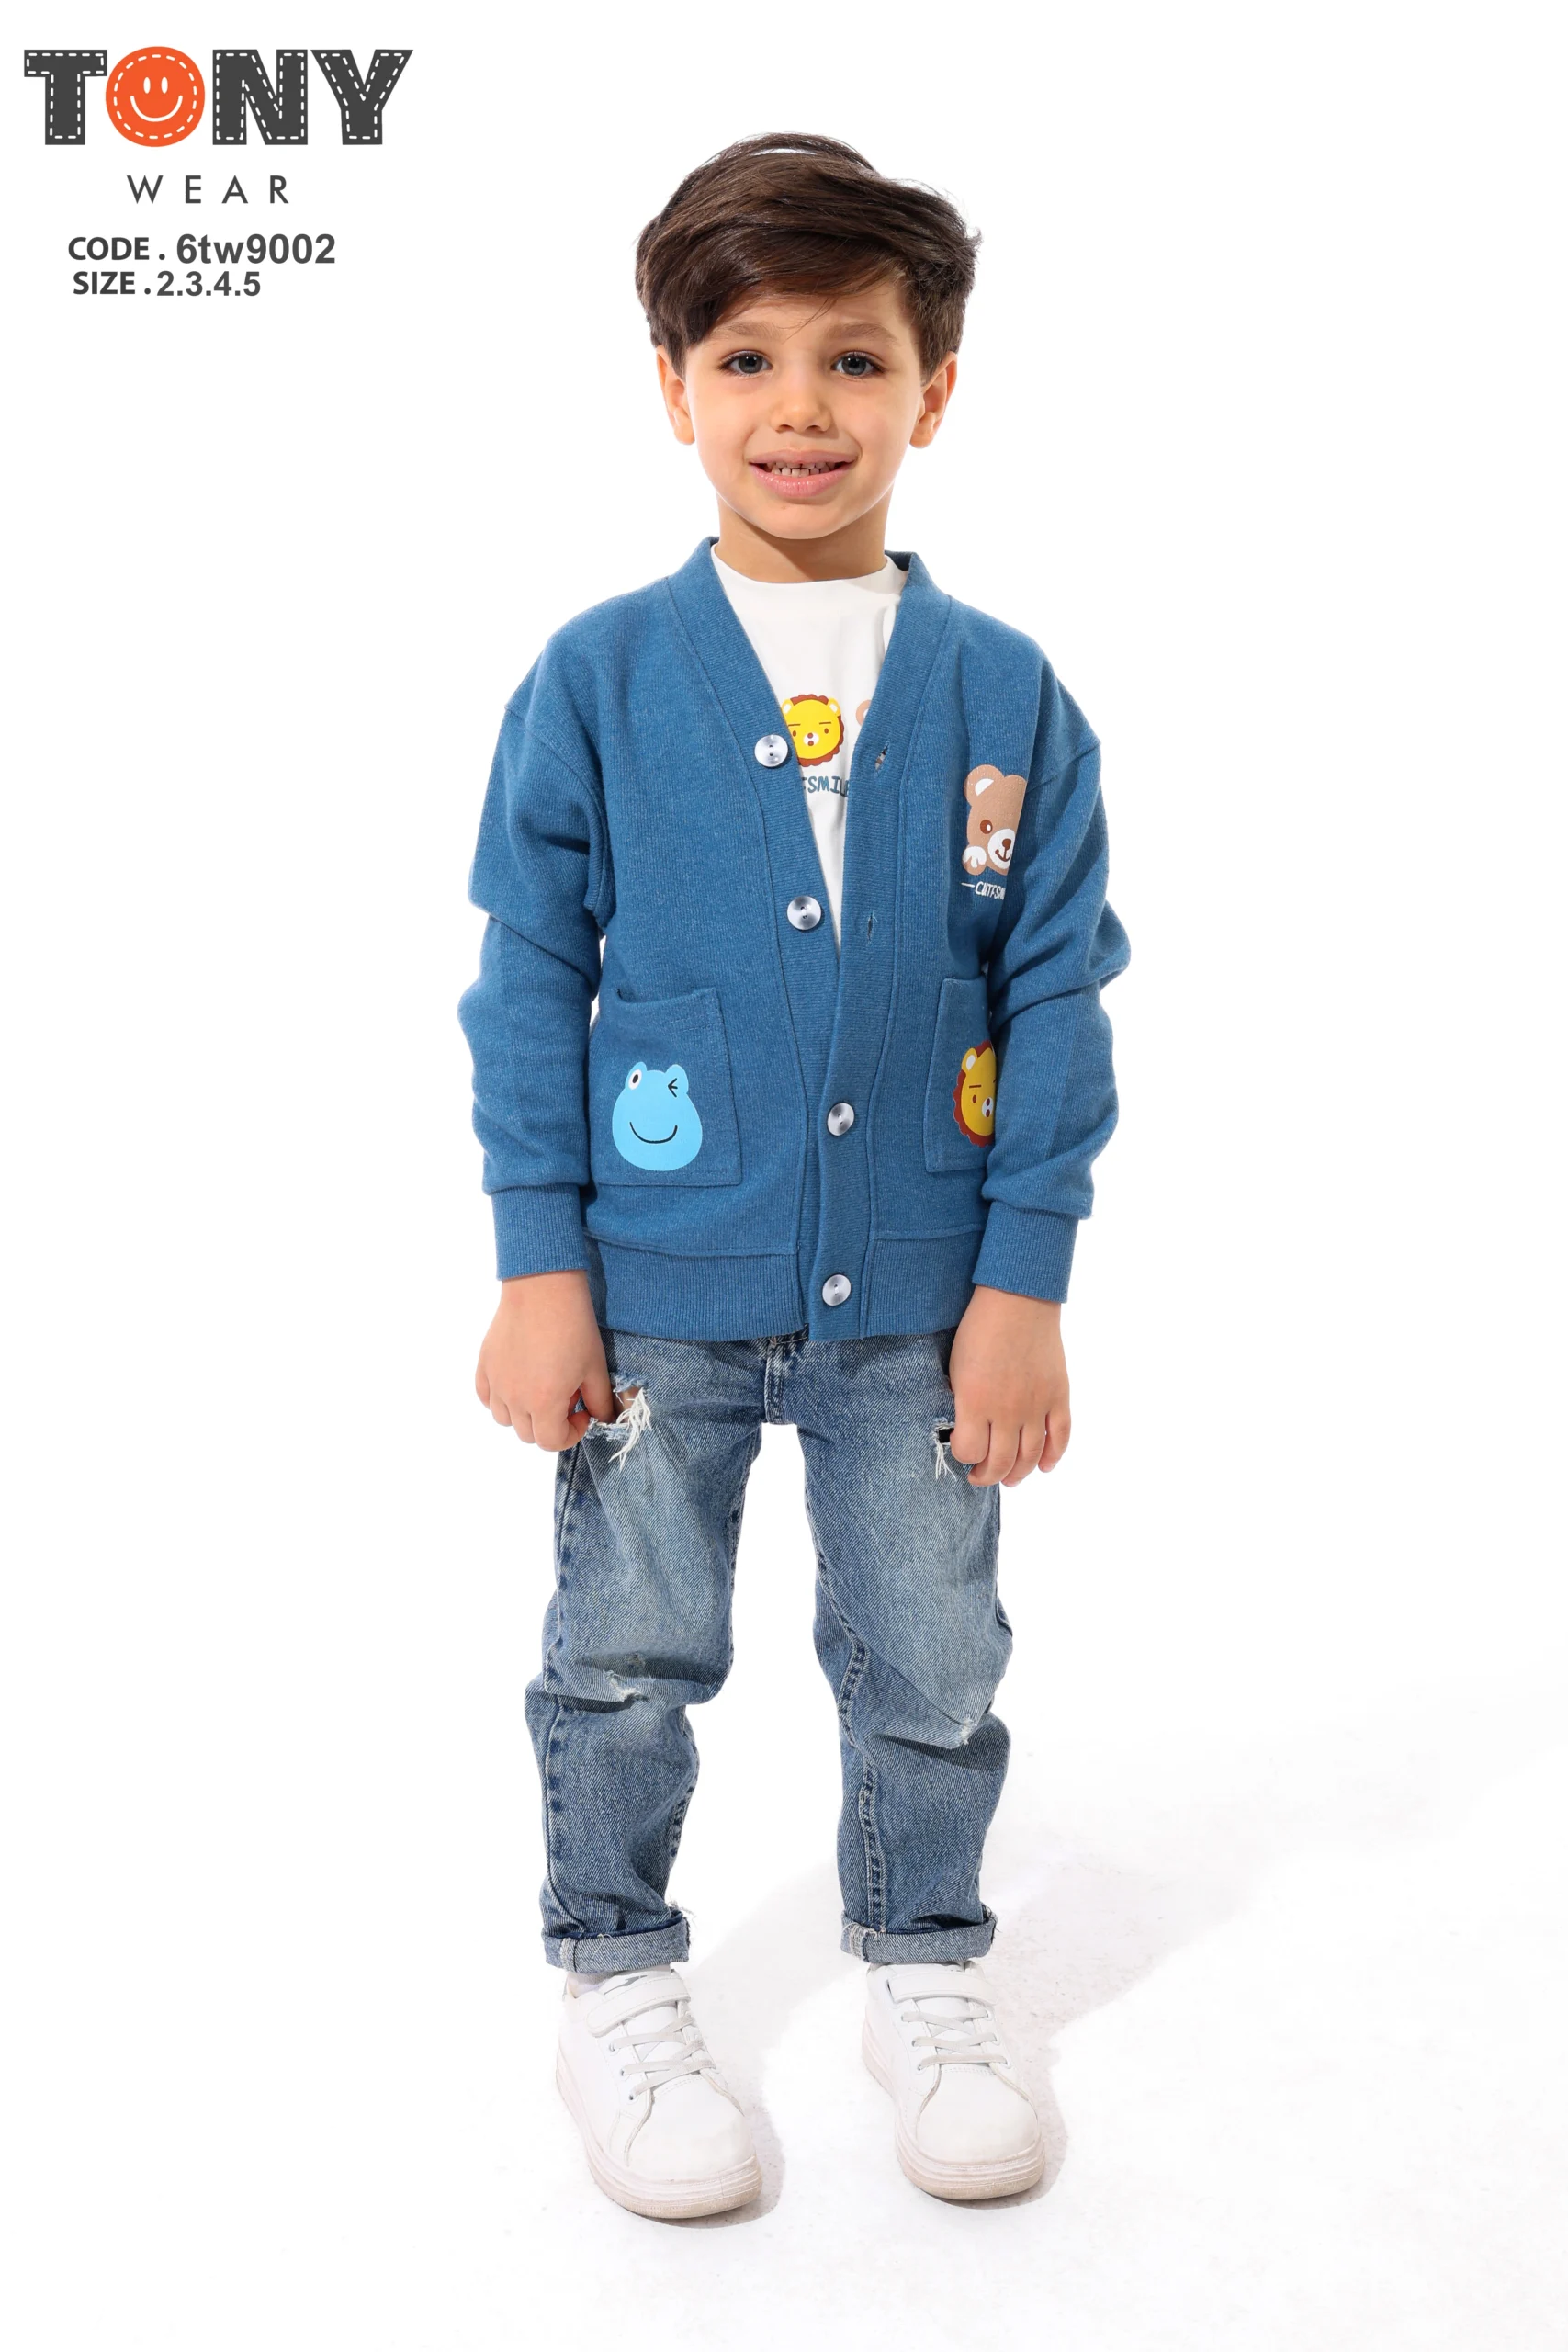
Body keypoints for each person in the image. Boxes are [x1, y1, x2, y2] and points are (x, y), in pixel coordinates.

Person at [458, 131, 1129, 2219]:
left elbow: (1059, 990)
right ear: (673, 387)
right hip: (653, 1282)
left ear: (937, 386)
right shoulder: (599, 675)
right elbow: (527, 975)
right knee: (625, 1649)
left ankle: (926, 1967)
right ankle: (614, 1975)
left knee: (932, 1656)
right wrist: (538, 1266)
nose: (801, 409)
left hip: (920, 1298)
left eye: (855, 358)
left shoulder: (1004, 690)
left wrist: (1022, 1280)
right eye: (746, 359)